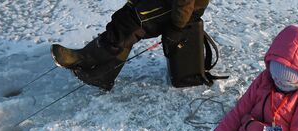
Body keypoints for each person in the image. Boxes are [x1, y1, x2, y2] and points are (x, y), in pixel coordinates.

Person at [51, 0, 210, 90]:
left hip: (185, 6)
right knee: (127, 12)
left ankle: (85, 57)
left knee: (132, 22)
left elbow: (185, 3)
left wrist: (176, 27)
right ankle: (104, 75)